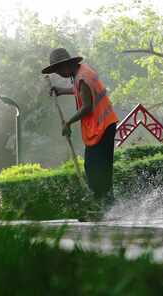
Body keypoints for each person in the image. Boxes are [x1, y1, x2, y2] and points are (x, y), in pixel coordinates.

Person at [42, 48, 119, 200]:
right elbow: (81, 91)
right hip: (105, 123)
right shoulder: (82, 72)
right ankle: (106, 203)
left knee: (94, 168)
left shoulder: (82, 78)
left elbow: (87, 106)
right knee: (99, 167)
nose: (59, 74)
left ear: (66, 66)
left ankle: (100, 205)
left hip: (101, 126)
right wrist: (62, 90)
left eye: (58, 70)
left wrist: (68, 123)